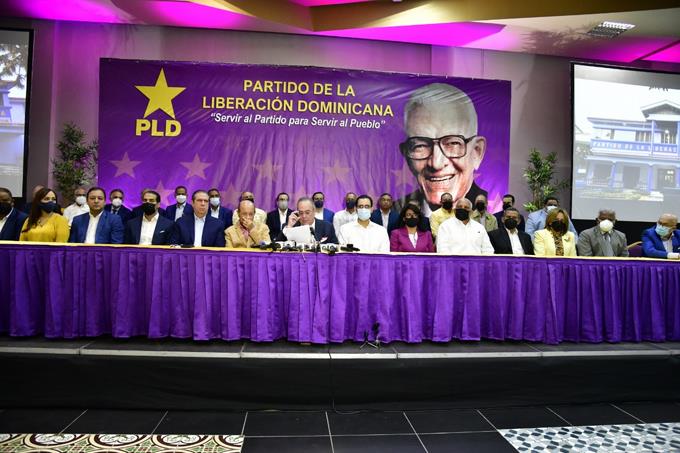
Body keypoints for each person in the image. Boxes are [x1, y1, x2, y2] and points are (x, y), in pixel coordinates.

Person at [395, 83, 488, 216]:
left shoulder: (493, 212)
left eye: (452, 143)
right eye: (420, 146)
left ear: (477, 152)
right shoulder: (396, 213)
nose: (436, 164)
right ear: (406, 154)